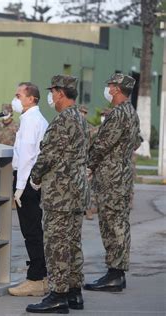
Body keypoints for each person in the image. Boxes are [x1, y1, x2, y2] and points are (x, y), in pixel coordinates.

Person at [27, 75, 89, 313]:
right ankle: (74, 293)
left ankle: (58, 295)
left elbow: (48, 155)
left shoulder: (63, 120)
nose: (51, 96)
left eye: (52, 92)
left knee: (56, 245)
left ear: (61, 93)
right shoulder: (81, 119)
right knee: (72, 243)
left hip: (60, 194)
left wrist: (34, 177)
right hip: (76, 192)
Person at [84, 73, 141, 293]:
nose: (107, 88)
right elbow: (135, 143)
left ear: (117, 89)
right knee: (116, 224)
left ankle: (115, 275)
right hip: (121, 175)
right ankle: (114, 272)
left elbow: (101, 145)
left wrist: (89, 165)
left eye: (109, 85)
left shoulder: (118, 114)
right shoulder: (131, 113)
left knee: (113, 226)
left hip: (112, 179)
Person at [8, 82, 49, 297]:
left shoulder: (32, 121)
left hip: (27, 181)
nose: (15, 99)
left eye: (18, 95)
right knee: (32, 229)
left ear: (31, 98)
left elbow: (27, 157)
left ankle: (36, 279)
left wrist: (20, 188)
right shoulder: (31, 119)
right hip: (30, 180)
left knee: (31, 231)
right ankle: (39, 276)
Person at [79, 105, 98, 221]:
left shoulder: (90, 128)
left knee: (86, 188)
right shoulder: (71, 126)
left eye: (84, 113)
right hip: (72, 162)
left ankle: (88, 211)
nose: (82, 115)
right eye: (81, 112)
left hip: (85, 161)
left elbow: (96, 146)